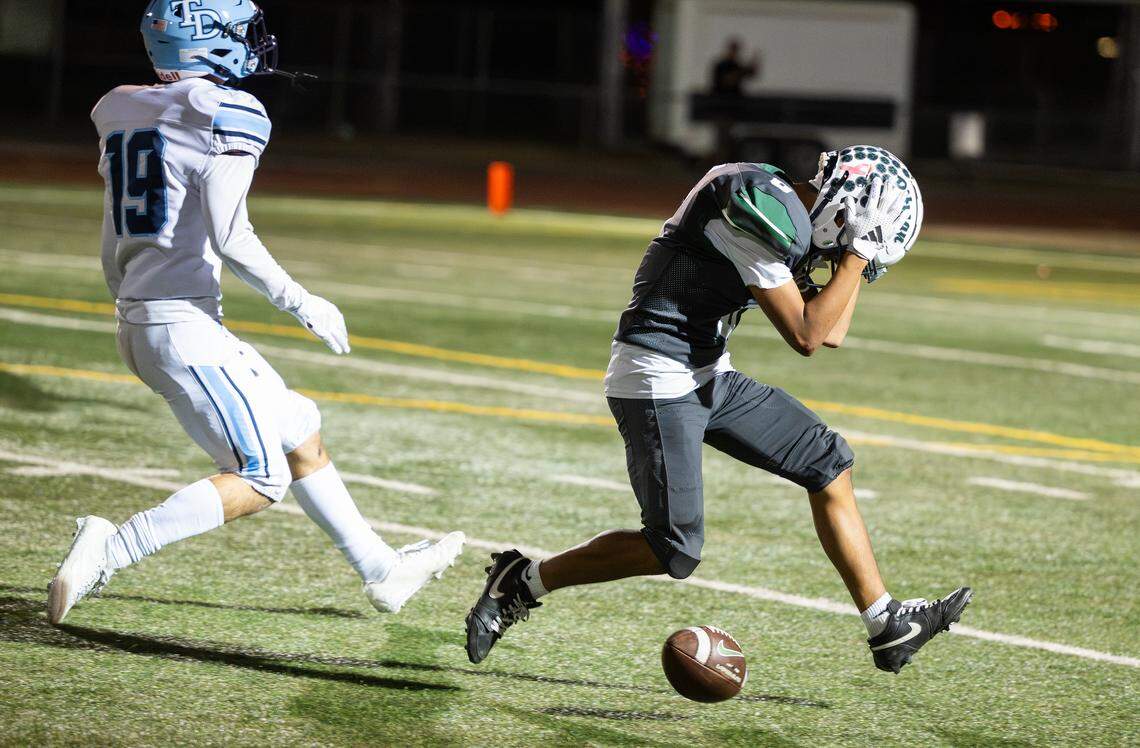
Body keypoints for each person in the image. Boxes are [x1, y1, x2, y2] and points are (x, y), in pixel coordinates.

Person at [466, 148, 971, 674]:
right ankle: (521, 581)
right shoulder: (759, 206)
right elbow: (806, 335)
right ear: (846, 204)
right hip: (656, 376)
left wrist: (855, 259)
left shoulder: (790, 221)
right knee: (675, 550)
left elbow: (833, 330)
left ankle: (884, 623)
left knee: (828, 463)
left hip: (708, 374)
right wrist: (856, 254)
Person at [47, 0, 464, 625]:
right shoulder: (227, 112)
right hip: (179, 326)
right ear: (207, 42)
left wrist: (131, 297)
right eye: (238, 31)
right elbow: (230, 235)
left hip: (148, 318)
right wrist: (301, 300)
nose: (251, 40)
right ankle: (113, 546)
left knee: (298, 426)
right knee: (260, 477)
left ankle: (382, 569)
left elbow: (116, 240)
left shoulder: (118, 106)